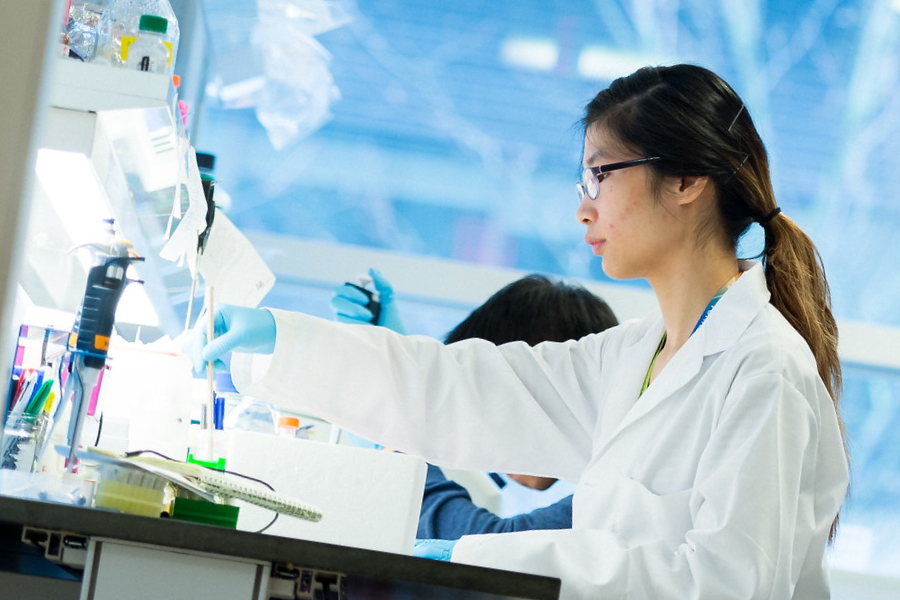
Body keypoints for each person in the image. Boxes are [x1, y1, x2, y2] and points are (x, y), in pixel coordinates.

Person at [187, 64, 849, 599]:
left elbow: (724, 585)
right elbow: (461, 390)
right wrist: (283, 339)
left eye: (600, 173)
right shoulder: (634, 355)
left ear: (684, 181)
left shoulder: (763, 371)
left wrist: (473, 558)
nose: (582, 206)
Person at [330, 270, 618, 539]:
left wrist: (398, 436)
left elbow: (497, 546)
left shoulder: (625, 483)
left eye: (495, 407)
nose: (486, 434)